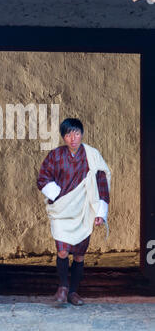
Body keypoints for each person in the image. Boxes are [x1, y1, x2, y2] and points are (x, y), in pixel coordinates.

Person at [37, 118, 111, 306]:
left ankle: (73, 292)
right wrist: (58, 195)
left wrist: (100, 212)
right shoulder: (55, 156)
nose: (73, 138)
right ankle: (62, 287)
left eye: (76, 133)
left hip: (83, 211)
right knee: (62, 251)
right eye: (68, 134)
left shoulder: (92, 155)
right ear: (63, 137)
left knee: (79, 254)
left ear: (82, 134)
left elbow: (101, 180)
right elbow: (43, 178)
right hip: (62, 210)